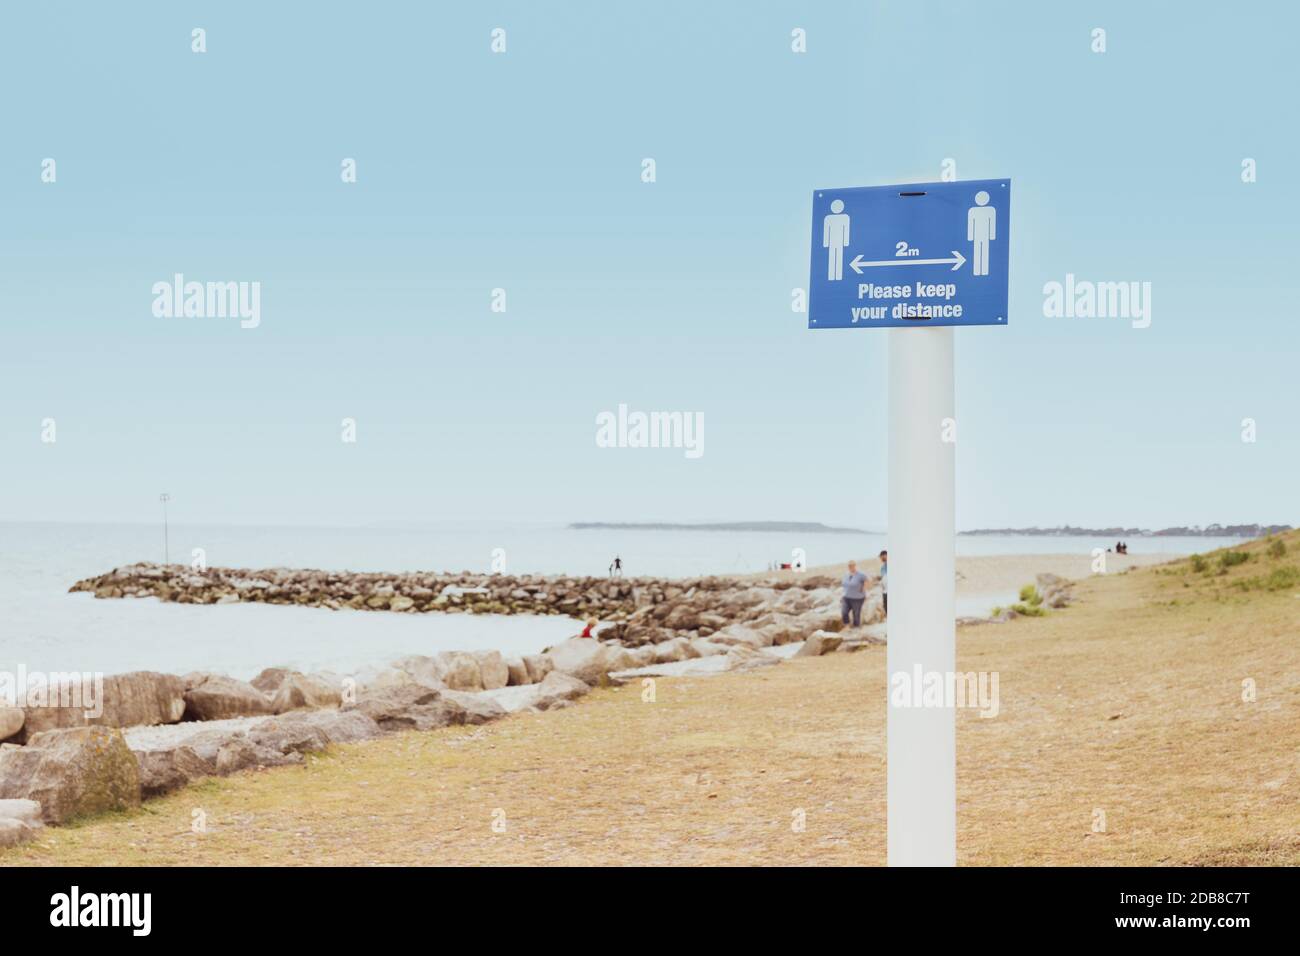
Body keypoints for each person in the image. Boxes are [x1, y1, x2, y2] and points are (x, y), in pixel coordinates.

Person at [841, 560, 868, 627]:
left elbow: (867, 581)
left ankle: (856, 627)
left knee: (856, 614)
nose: (851, 567)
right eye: (849, 565)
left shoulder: (861, 574)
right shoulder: (846, 575)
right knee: (844, 612)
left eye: (852, 565)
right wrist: (842, 594)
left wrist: (863, 588)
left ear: (855, 565)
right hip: (846, 597)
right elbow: (844, 585)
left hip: (857, 598)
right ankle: (847, 625)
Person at [878, 550, 888, 618]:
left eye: (881, 557)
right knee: (886, 606)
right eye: (880, 557)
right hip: (885, 591)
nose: (881, 559)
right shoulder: (882, 567)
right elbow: (883, 578)